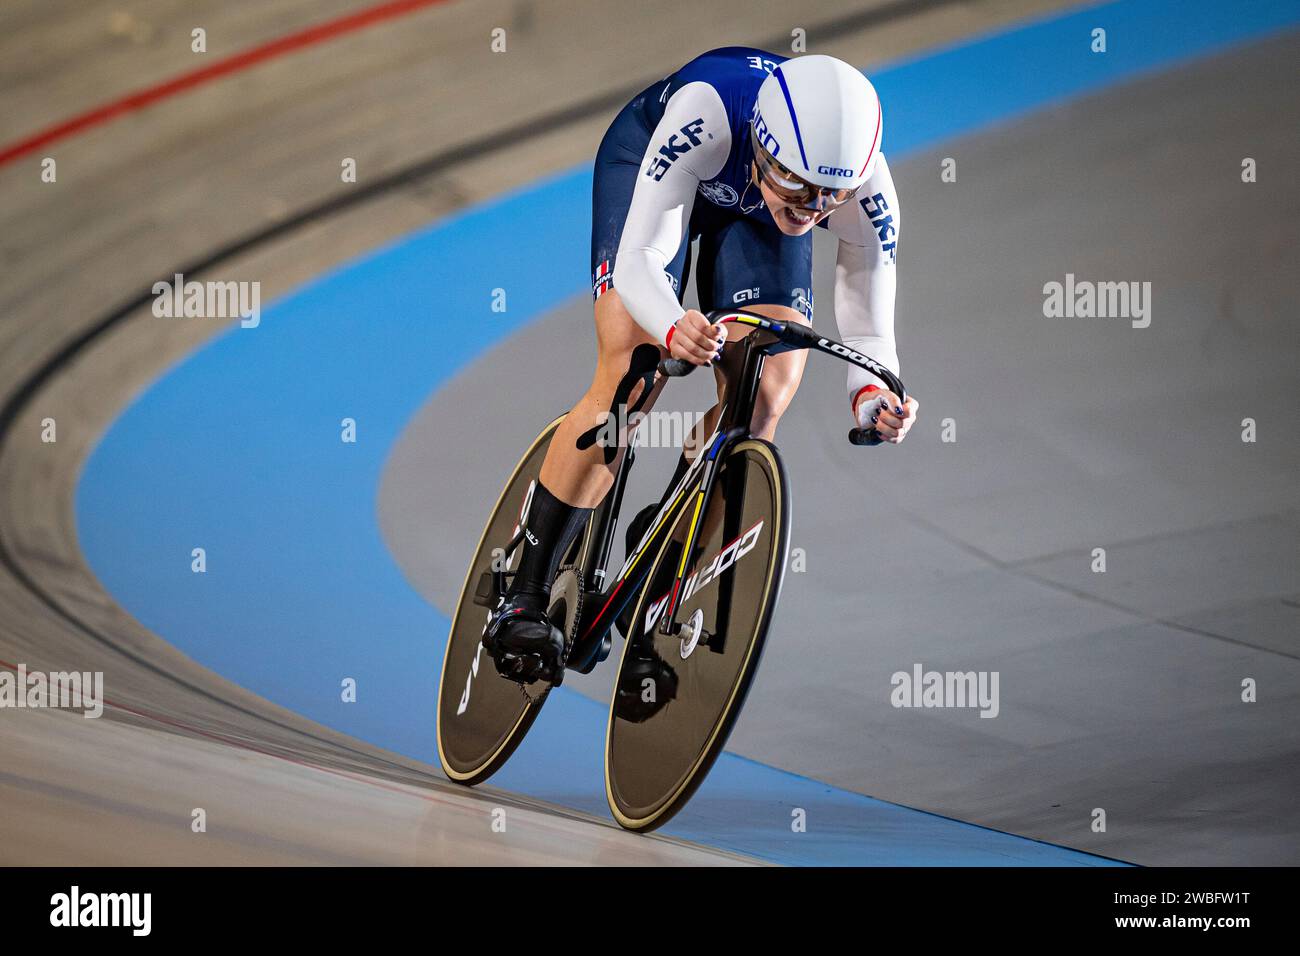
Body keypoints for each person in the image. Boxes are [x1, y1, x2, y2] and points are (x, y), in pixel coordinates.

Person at [482, 47, 918, 676]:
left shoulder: (861, 187)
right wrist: (671, 322)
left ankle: (654, 572)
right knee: (635, 368)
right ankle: (524, 589)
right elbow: (641, 258)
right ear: (764, 148)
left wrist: (874, 399)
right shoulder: (706, 113)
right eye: (797, 190)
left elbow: (871, 326)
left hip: (748, 212)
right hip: (653, 170)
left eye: (829, 199)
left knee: (765, 393)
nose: (813, 212)